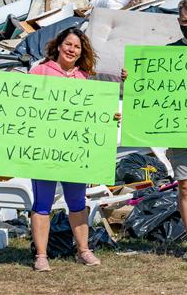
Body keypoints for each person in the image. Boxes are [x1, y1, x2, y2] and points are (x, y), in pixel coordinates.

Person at [120, 0, 187, 262]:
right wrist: (131, 79)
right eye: (186, 22)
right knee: (186, 187)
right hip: (179, 133)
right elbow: (152, 88)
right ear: (179, 22)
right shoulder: (168, 54)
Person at [28, 27, 117, 271]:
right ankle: (42, 256)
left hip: (74, 152)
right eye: (68, 44)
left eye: (77, 47)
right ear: (58, 46)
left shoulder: (84, 79)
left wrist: (110, 117)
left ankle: (84, 251)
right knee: (42, 203)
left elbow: (93, 114)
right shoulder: (39, 72)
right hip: (44, 150)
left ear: (81, 52)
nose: (71, 49)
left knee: (77, 202)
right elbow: (21, 107)